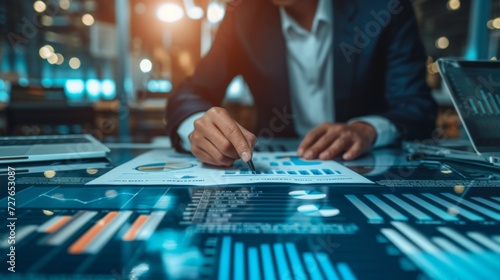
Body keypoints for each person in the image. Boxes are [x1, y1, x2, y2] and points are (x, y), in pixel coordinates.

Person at [166, 0, 437, 166]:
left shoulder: (385, 7)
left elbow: (416, 107)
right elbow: (191, 92)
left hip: (367, 173)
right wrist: (197, 125)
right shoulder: (242, 16)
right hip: (275, 181)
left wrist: (367, 129)